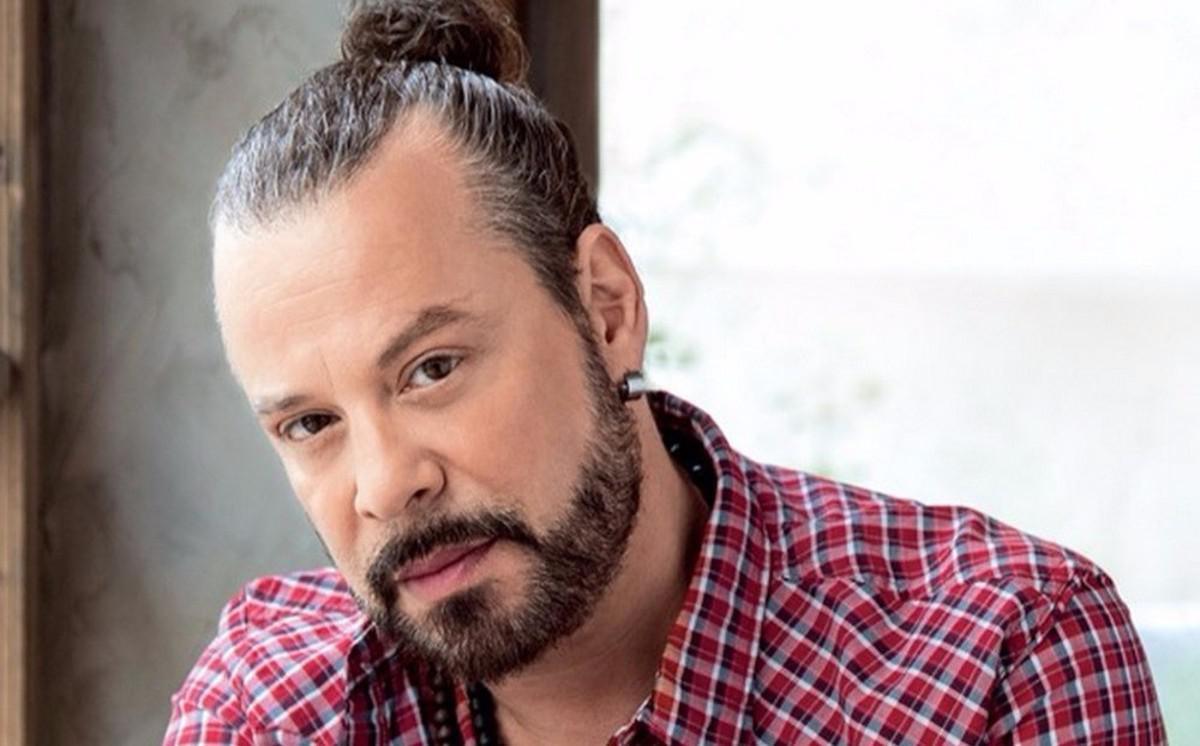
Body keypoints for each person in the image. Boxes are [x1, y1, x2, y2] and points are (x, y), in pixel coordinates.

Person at [165, 1, 1165, 743]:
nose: (385, 485)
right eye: (310, 424)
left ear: (606, 308)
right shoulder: (271, 701)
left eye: (431, 368)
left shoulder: (999, 659)